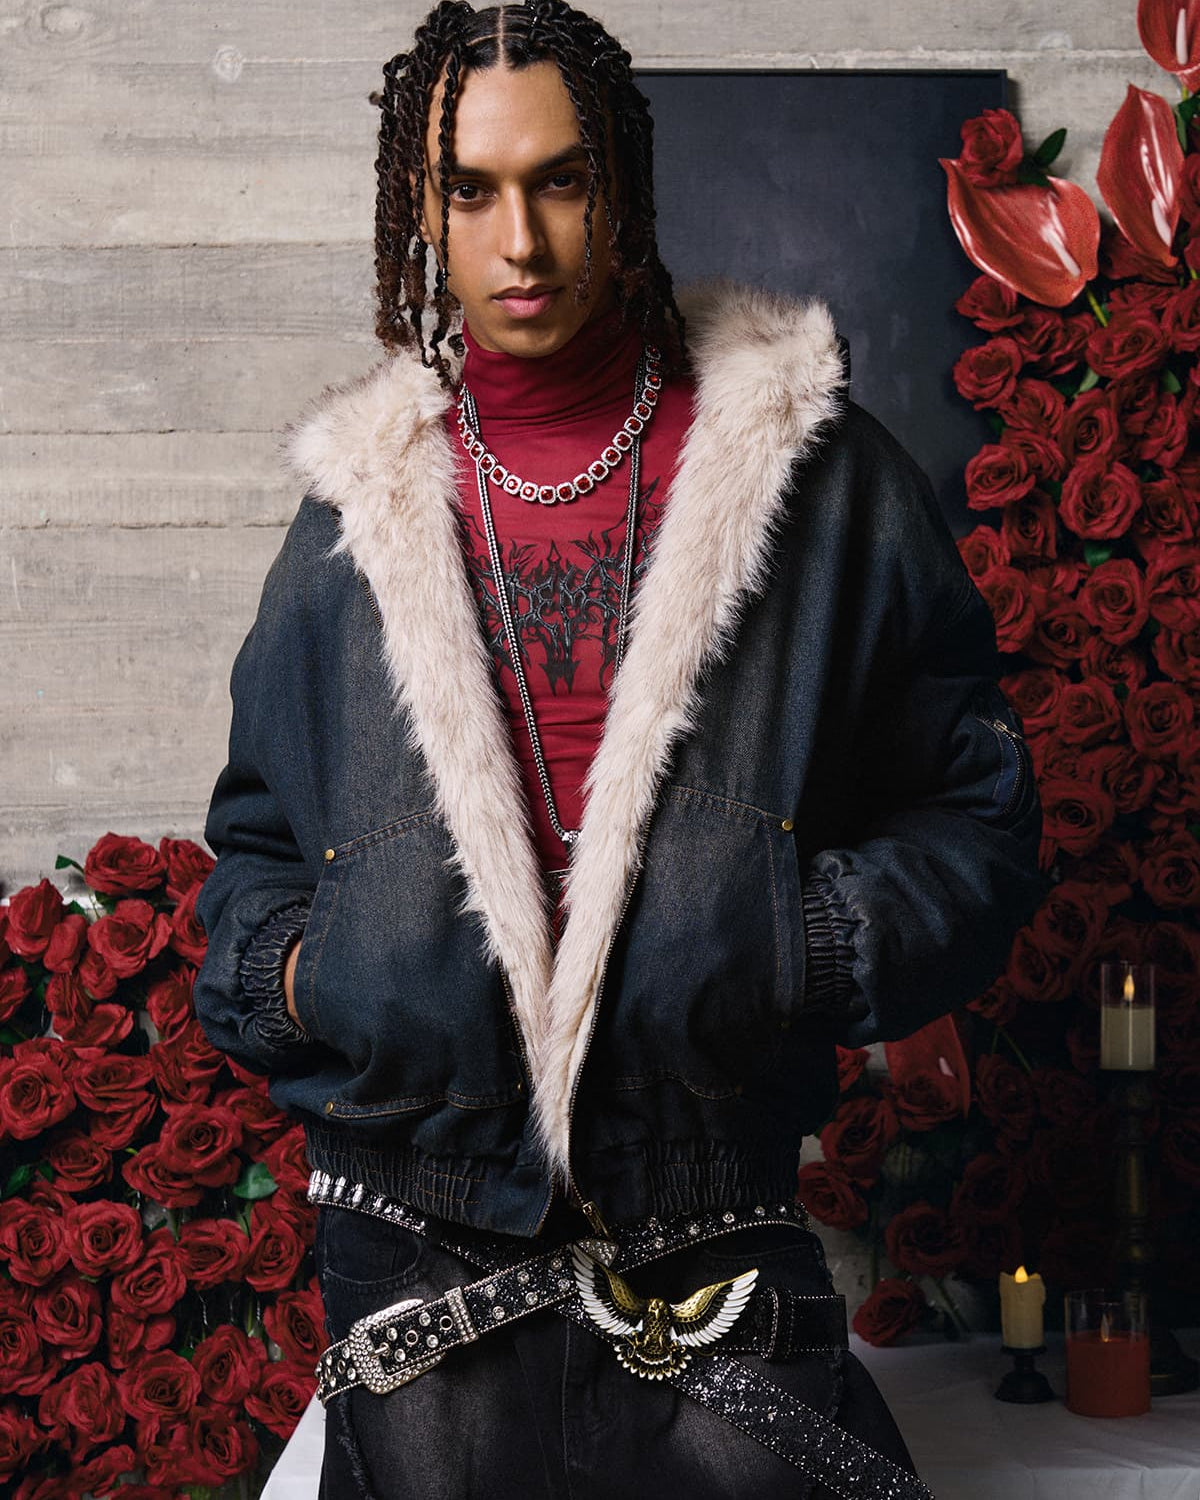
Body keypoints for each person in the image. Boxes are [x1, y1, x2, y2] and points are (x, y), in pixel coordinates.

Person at [193, 3, 1048, 1496]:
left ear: (624, 189)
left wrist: (799, 947)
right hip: (415, 1244)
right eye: (471, 191)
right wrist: (321, 972)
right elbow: (257, 856)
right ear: (422, 208)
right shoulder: (352, 520)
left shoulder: (816, 478)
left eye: (559, 180)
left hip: (712, 1230)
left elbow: (977, 812)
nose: (519, 239)